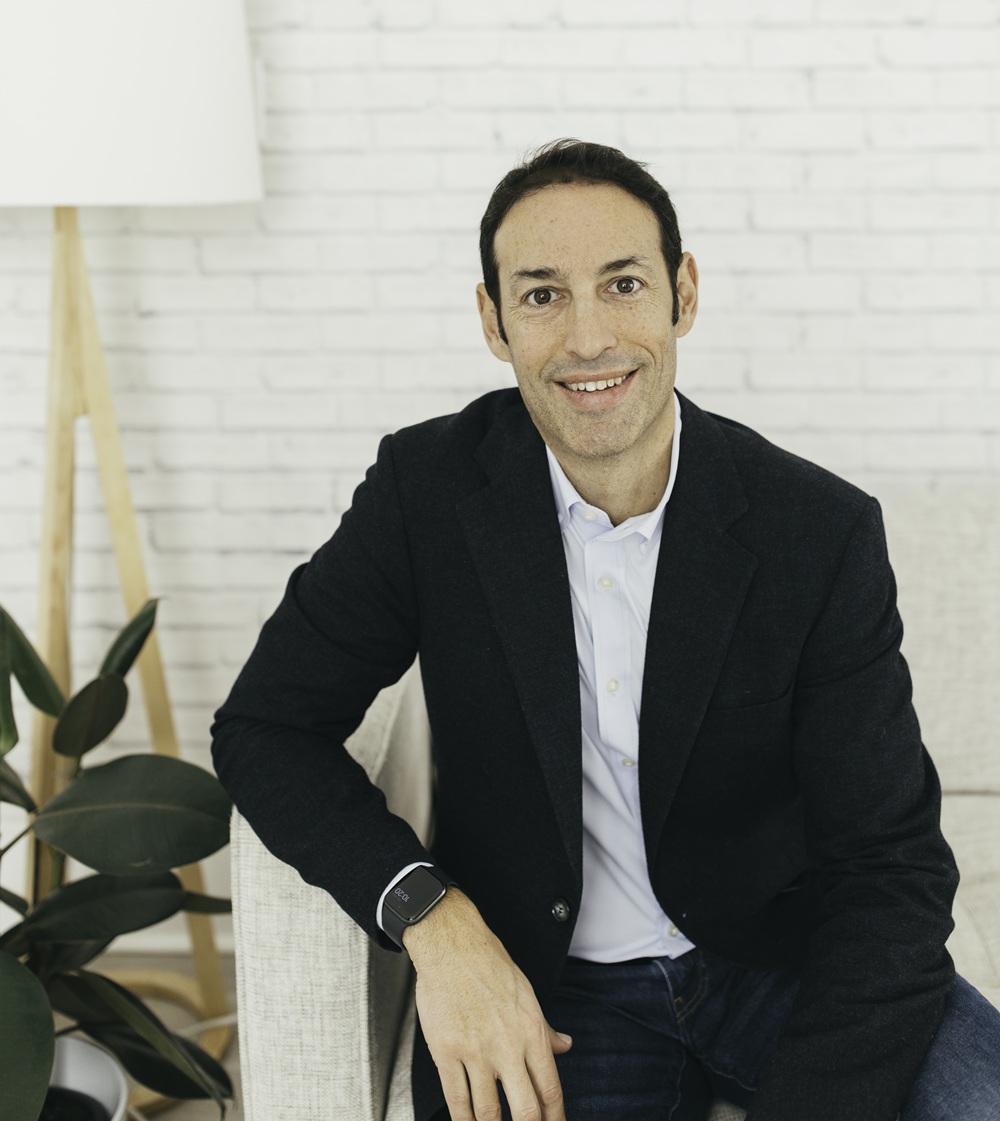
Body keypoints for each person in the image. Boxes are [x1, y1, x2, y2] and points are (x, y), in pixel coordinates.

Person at [211, 139, 1000, 1121]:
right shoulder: (426, 496)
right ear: (493, 321)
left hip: (781, 959)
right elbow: (265, 727)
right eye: (543, 295)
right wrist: (430, 914)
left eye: (622, 284)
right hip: (553, 986)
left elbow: (890, 861)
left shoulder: (817, 530)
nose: (588, 337)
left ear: (683, 294)